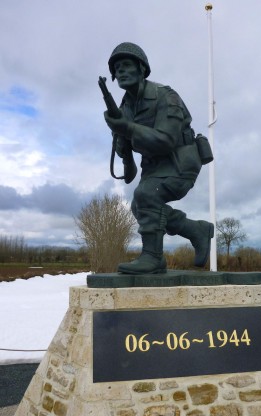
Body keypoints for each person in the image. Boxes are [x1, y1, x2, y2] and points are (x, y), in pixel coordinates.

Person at [104, 42, 214, 274]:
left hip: (180, 161)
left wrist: (127, 128)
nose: (121, 71)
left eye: (126, 65)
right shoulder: (125, 106)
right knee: (139, 205)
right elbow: (129, 175)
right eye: (117, 68)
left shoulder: (166, 95)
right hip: (153, 167)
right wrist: (123, 148)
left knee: (145, 195)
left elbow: (165, 140)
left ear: (142, 68)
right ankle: (195, 230)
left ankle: (153, 257)